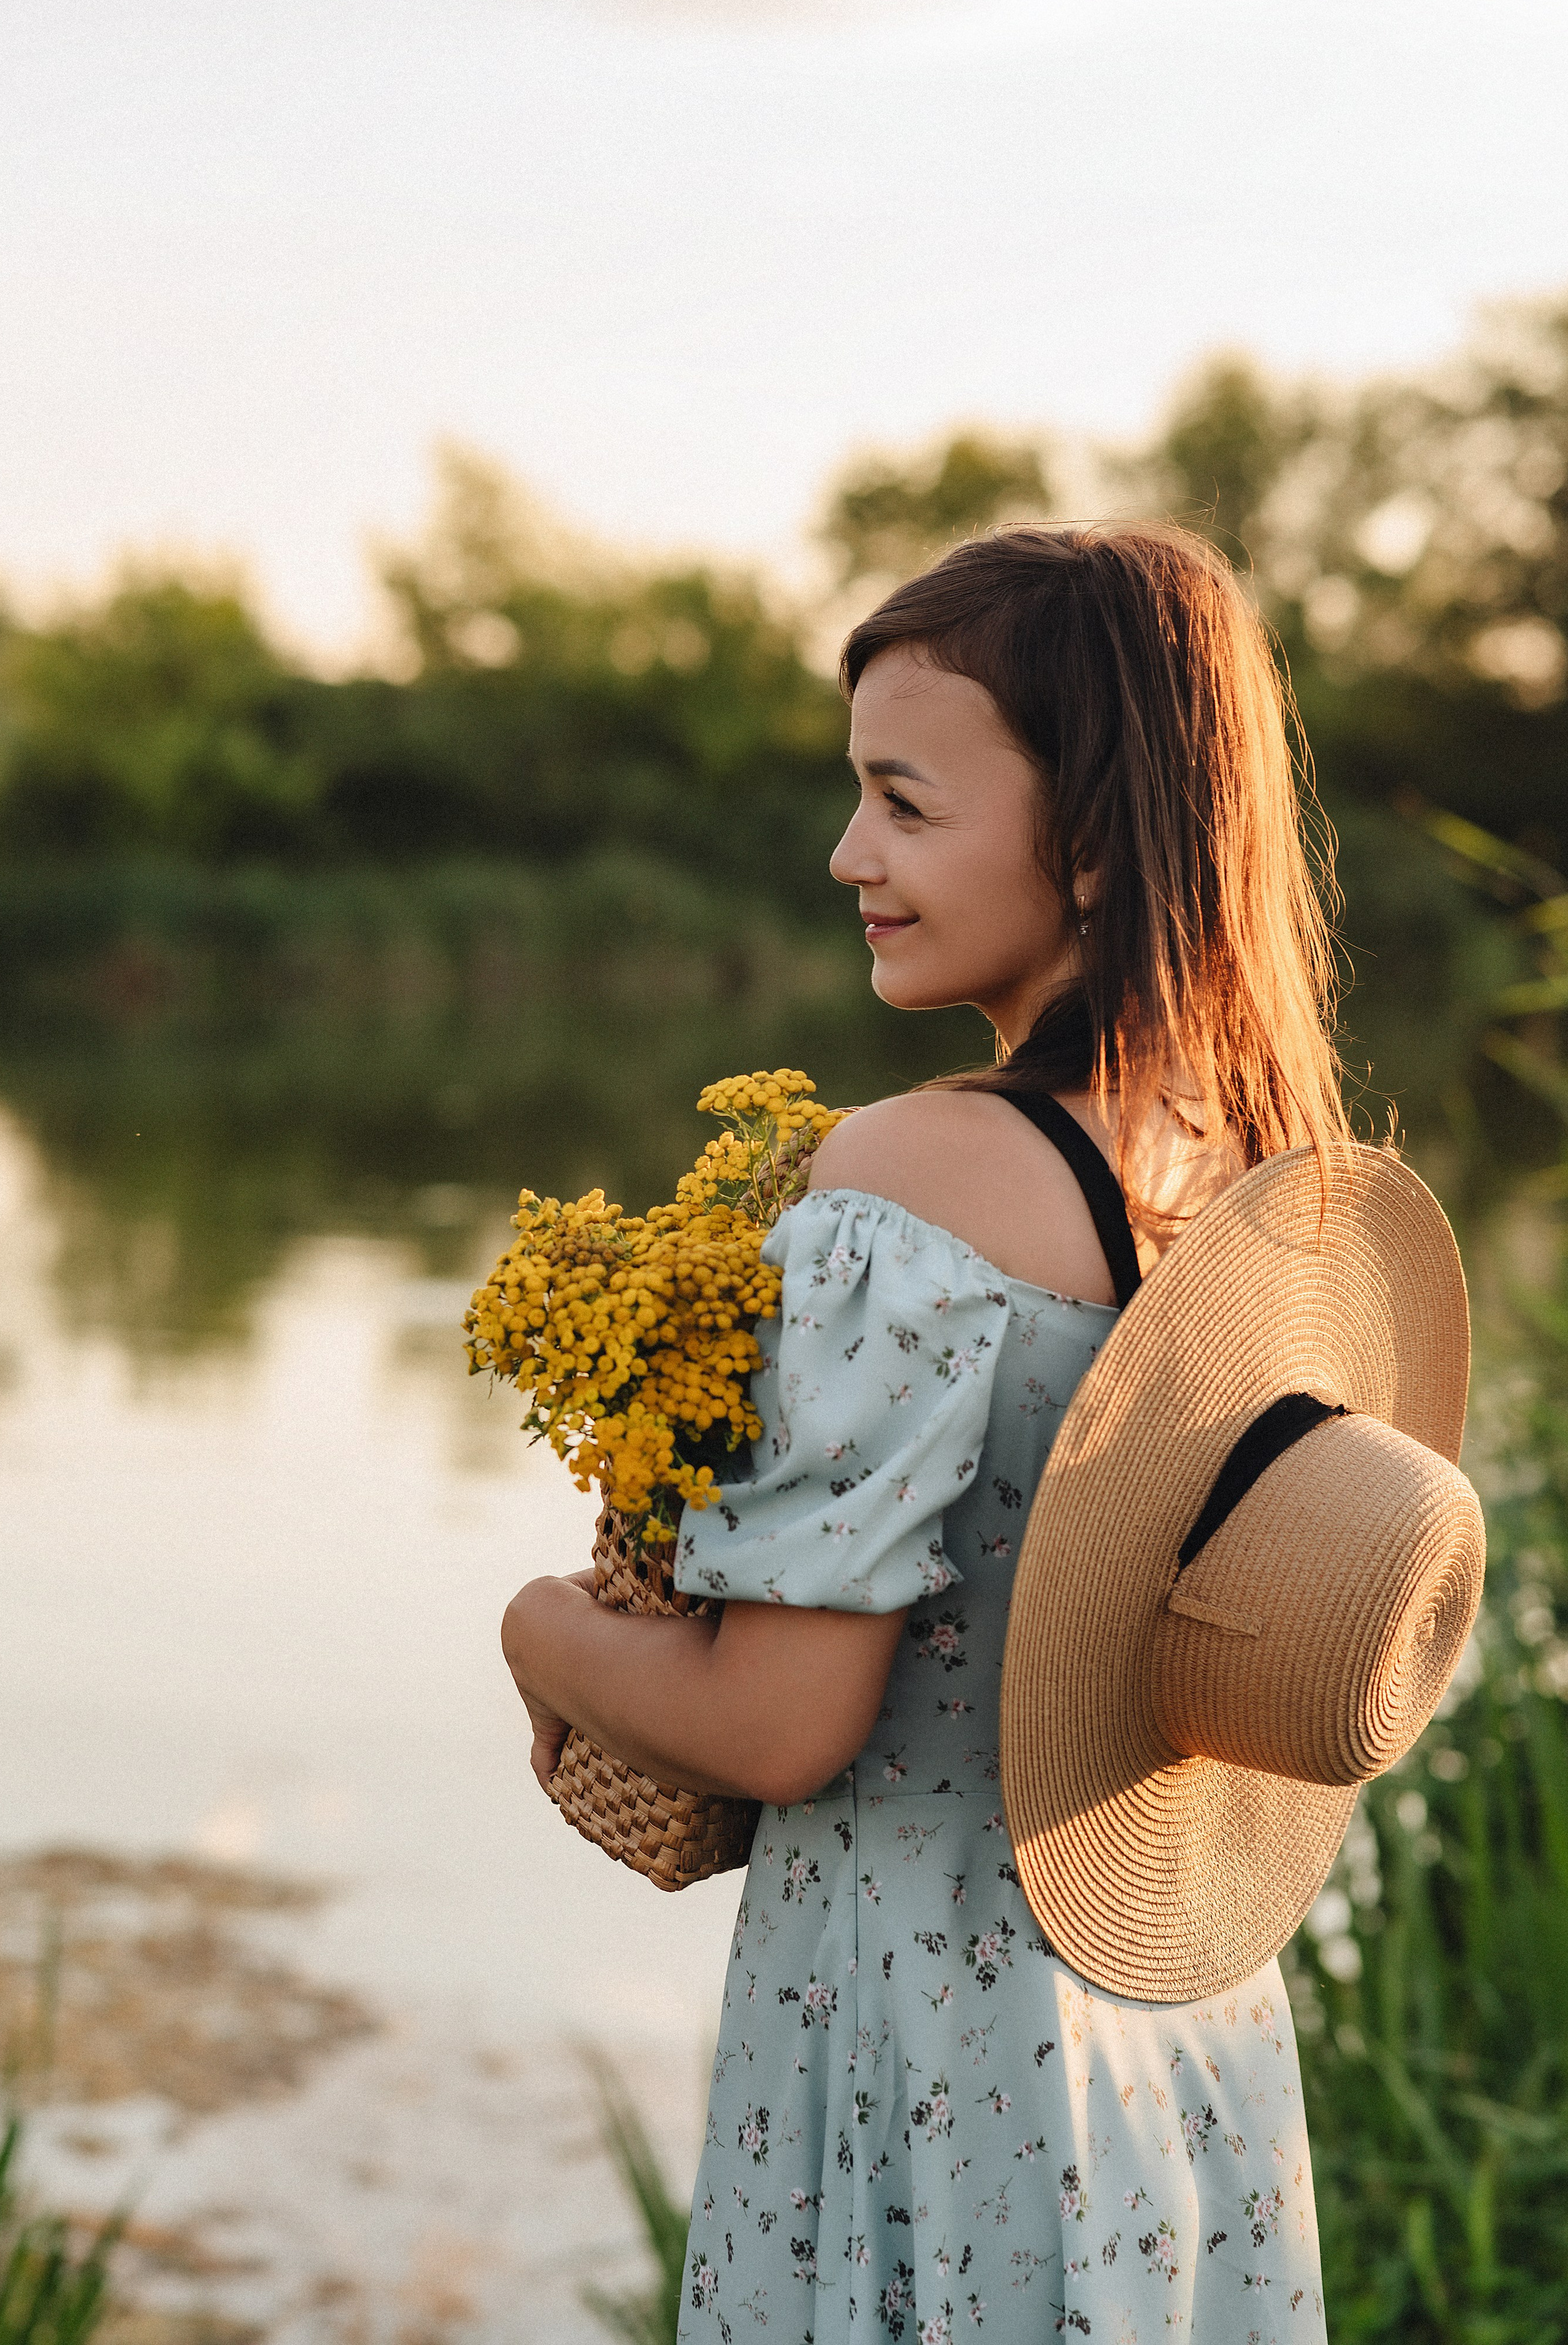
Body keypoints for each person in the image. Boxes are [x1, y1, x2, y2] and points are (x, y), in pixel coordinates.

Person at [501, 524, 1350, 2341]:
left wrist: (543, 1633)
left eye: (903, 801)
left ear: (1103, 837)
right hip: (1170, 2030)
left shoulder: (915, 1176)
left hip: (928, 2042)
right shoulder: (1246, 1180)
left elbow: (782, 1723)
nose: (848, 856)